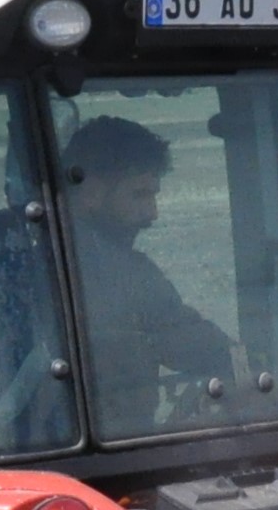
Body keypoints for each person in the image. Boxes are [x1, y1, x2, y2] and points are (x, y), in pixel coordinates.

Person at [61, 113, 238, 426]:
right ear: (89, 188)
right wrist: (244, 365)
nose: (151, 213)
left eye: (153, 196)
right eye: (139, 194)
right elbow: (202, 347)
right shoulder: (123, 273)